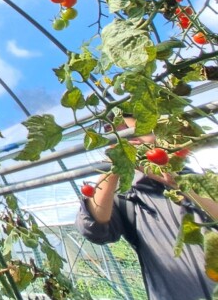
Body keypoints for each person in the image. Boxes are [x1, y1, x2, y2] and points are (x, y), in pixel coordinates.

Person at [75, 116, 218, 300]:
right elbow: (92, 229)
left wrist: (180, 183)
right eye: (116, 132)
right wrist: (115, 166)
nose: (128, 136)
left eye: (135, 128)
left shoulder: (203, 174)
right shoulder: (126, 195)